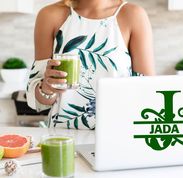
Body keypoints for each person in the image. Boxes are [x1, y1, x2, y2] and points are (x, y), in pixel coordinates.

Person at [26, 0, 155, 130]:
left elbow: (147, 93)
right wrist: (47, 88)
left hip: (117, 134)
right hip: (62, 140)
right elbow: (38, 102)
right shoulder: (49, 15)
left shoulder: (133, 15)